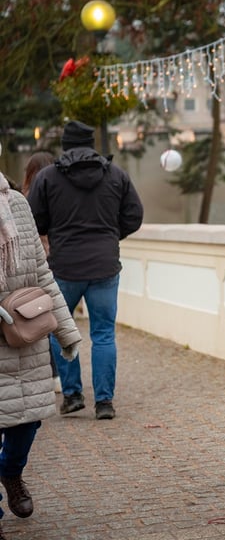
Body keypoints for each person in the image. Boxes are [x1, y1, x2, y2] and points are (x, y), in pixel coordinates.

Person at [27, 120, 144, 421]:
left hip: (65, 267)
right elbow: (134, 215)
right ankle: (104, 402)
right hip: (105, 266)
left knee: (60, 331)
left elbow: (33, 219)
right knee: (103, 334)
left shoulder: (48, 178)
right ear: (92, 144)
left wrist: (56, 232)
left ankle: (72, 395)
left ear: (65, 145)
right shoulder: (116, 175)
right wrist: (110, 236)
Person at [0, 170, 82, 539]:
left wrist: (67, 331)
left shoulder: (17, 204)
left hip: (24, 338)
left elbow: (42, 274)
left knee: (26, 422)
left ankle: (11, 472)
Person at [20, 151, 60, 393]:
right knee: (54, 320)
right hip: (54, 262)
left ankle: (47, 374)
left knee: (35, 321)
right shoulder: (58, 192)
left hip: (31, 267)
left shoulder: (22, 198)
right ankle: (57, 376)